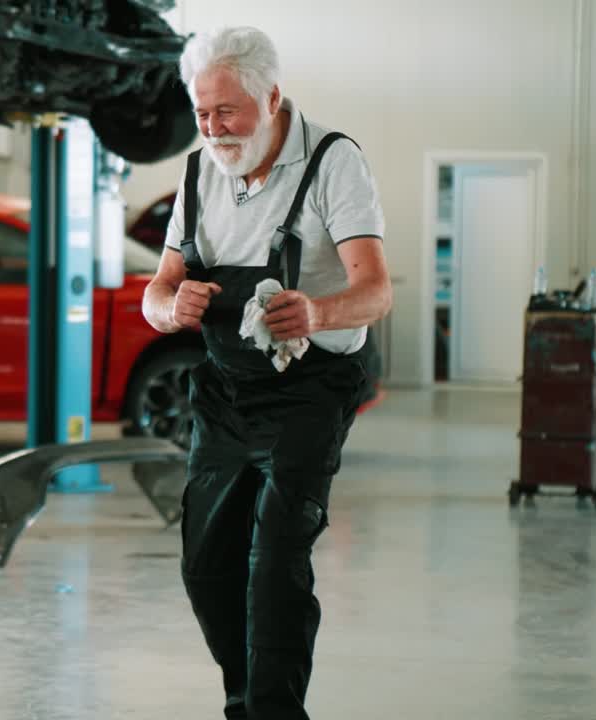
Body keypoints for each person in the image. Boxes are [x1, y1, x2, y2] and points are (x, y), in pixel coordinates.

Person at [141, 27, 392, 720]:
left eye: (226, 112)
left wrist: (317, 309)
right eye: (201, 114)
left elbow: (376, 291)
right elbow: (155, 290)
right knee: (206, 566)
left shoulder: (334, 163)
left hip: (313, 388)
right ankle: (244, 703)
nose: (213, 129)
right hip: (225, 392)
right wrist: (170, 306)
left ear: (272, 96)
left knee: (276, 563)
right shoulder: (198, 173)